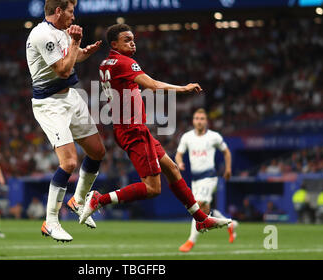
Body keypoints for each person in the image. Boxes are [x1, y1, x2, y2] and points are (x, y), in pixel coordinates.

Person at [80, 23, 231, 233]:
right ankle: (99, 199)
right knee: (152, 188)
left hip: (127, 127)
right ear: (114, 44)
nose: (132, 43)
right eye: (126, 40)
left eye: (133, 39)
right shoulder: (125, 63)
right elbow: (153, 85)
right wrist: (184, 88)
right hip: (133, 130)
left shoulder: (106, 62)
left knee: (172, 168)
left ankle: (200, 218)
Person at [26, 0, 105, 242]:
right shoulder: (41, 35)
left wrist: (83, 52)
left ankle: (78, 200)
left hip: (70, 96)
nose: (74, 16)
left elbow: (69, 60)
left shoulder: (61, 32)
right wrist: (74, 45)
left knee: (97, 151)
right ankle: (50, 222)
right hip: (50, 104)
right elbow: (62, 69)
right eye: (70, 11)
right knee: (69, 162)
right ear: (58, 11)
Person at [175, 108, 238, 252]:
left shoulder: (214, 136)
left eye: (202, 118)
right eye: (197, 118)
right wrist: (179, 163)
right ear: (193, 121)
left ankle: (190, 241)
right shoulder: (187, 137)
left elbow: (226, 151)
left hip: (209, 177)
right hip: (195, 180)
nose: (199, 121)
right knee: (205, 212)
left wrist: (228, 169)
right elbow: (179, 154)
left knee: (195, 206)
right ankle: (230, 224)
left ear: (206, 121)